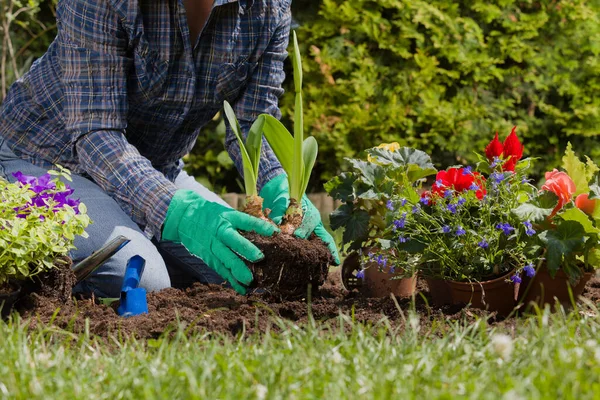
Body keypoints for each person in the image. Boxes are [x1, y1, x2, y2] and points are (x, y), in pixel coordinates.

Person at [0, 0, 340, 298]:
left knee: (253, 266)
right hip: (44, 161)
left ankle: (142, 238)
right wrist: (181, 213)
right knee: (146, 278)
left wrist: (280, 184)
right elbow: (95, 131)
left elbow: (254, 121)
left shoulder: (269, 6)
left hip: (156, 170)